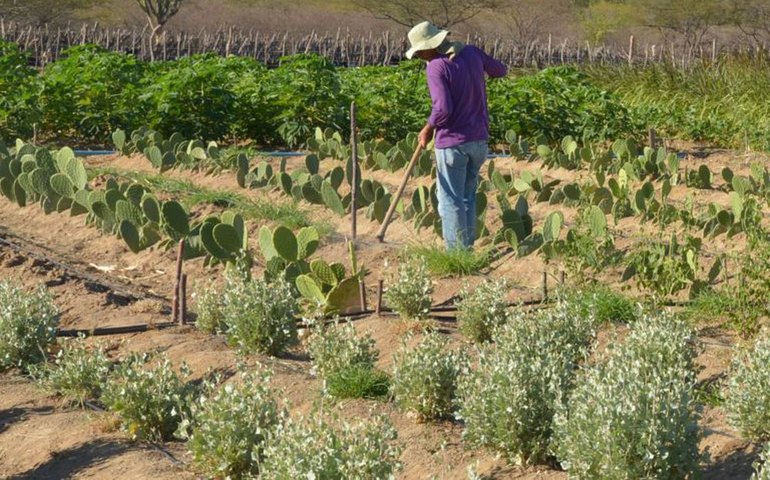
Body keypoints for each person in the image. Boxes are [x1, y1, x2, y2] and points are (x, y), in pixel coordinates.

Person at [406, 21, 507, 250]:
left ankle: (455, 254)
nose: (420, 56)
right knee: (467, 197)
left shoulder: (436, 66)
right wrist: (474, 73)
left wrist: (427, 128)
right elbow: (500, 70)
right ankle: (467, 249)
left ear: (431, 46)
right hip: (479, 141)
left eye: (420, 51)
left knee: (450, 200)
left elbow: (443, 109)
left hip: (452, 142)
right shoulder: (471, 52)